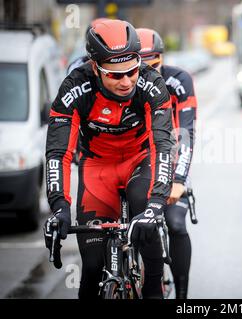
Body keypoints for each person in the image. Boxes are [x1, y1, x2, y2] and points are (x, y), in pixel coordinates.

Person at [43, 19, 175, 299]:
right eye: (116, 75)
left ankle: (153, 288)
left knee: (146, 216)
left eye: (133, 71)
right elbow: (58, 153)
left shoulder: (152, 83)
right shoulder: (75, 87)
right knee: (91, 267)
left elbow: (163, 145)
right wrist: (59, 207)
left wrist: (156, 203)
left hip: (140, 161)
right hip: (97, 167)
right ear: (95, 68)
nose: (127, 81)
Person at [136, 28, 197, 299]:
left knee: (175, 223)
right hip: (134, 160)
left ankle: (181, 295)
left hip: (168, 157)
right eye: (142, 65)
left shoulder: (179, 80)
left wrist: (179, 180)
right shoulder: (123, 80)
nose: (149, 71)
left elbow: (186, 132)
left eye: (155, 64)